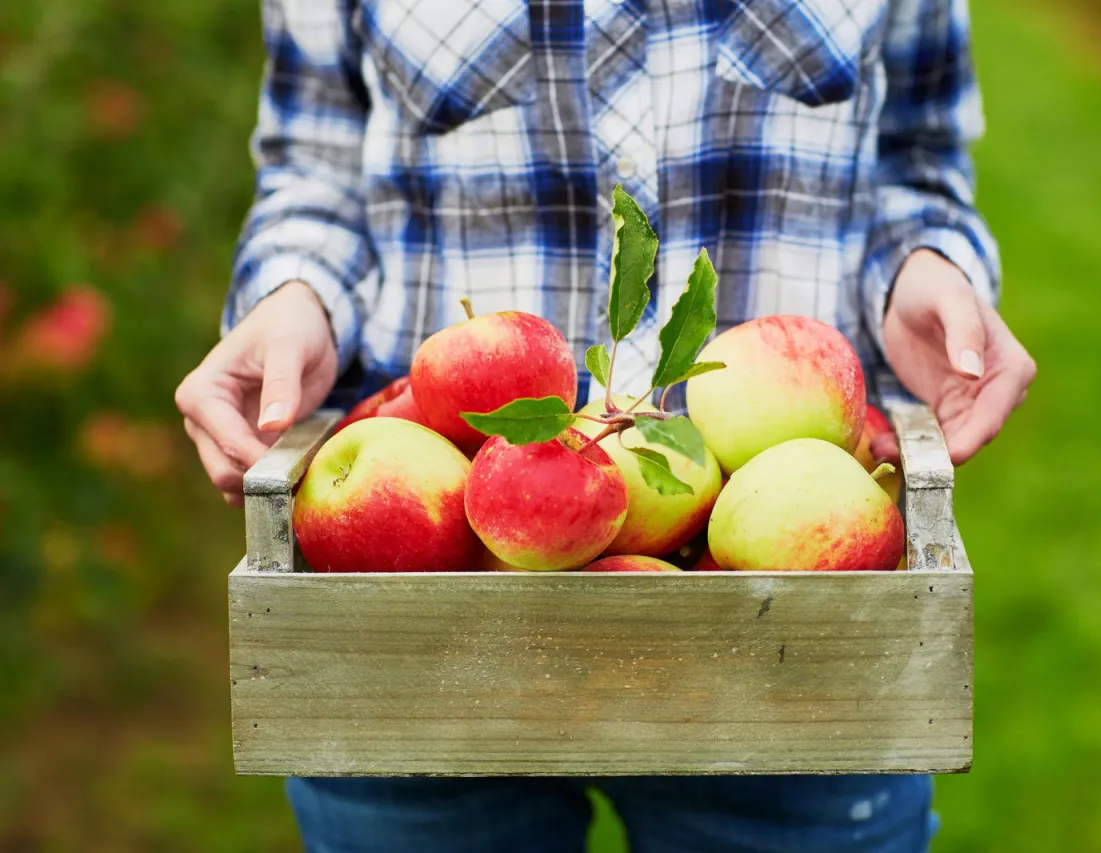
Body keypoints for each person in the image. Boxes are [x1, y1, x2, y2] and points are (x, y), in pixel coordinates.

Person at [176, 0, 1035, 849]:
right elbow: (316, 167)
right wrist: (297, 293)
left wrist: (923, 262)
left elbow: (916, 153)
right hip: (419, 617)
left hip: (792, 639)